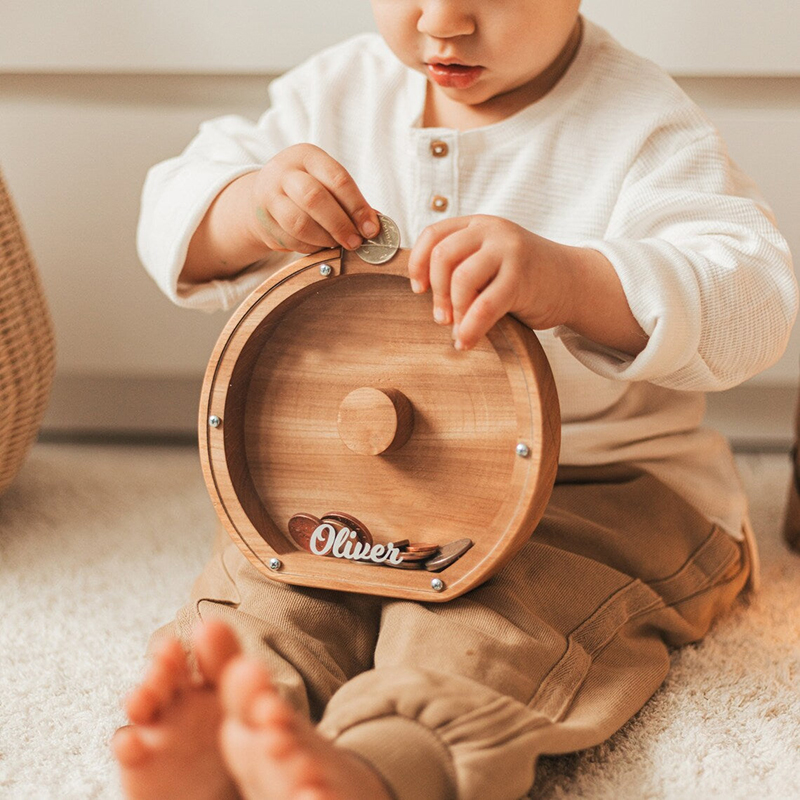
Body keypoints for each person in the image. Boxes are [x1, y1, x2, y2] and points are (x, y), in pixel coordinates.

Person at [114, 2, 797, 798]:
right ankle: (226, 727)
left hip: (597, 490)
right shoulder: (332, 94)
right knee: (275, 580)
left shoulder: (639, 124)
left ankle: (382, 765)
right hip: (353, 487)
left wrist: (577, 280)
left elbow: (754, 302)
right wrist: (252, 208)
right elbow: (171, 213)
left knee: (488, 629)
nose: (442, 23)